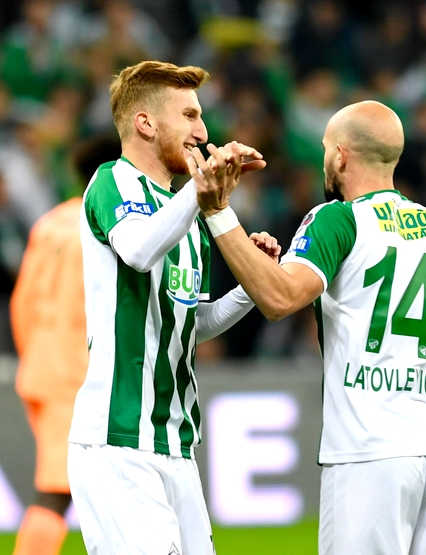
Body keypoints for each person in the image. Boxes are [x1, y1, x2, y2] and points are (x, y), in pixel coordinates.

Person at [202, 99, 426, 555]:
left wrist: (218, 212)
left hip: (369, 453)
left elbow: (280, 299)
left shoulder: (339, 220)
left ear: (340, 156)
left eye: (325, 149)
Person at [67, 60, 273, 555]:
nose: (203, 133)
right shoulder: (112, 181)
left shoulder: (188, 219)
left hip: (175, 443)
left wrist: (249, 288)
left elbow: (190, 322)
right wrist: (200, 196)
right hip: (117, 438)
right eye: (189, 116)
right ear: (145, 123)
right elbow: (138, 252)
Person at [9, 135, 119, 555]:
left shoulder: (50, 223)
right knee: (59, 488)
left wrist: (36, 357)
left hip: (42, 368)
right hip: (76, 374)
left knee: (83, 484)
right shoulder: (103, 225)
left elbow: (22, 304)